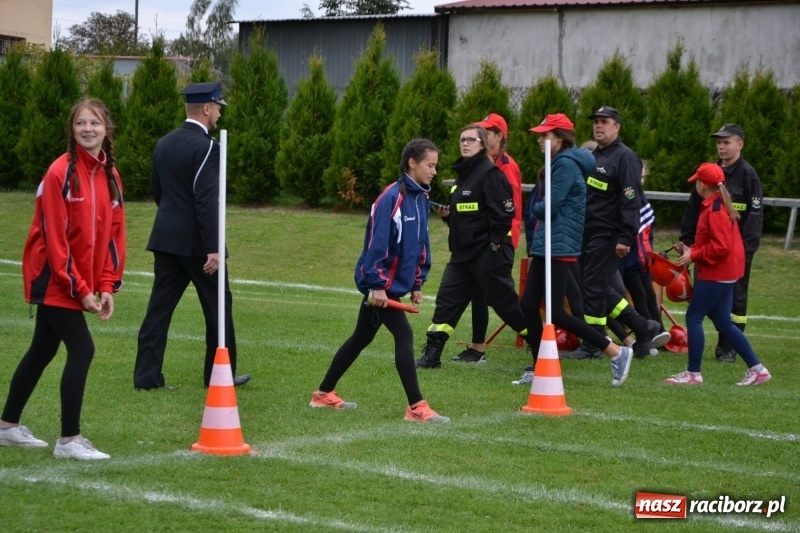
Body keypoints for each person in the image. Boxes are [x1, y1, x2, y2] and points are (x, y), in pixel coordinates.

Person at [0, 99, 126, 459]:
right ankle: (69, 440)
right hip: (53, 277)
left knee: (42, 349)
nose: (88, 129)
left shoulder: (110, 175)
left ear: (107, 129)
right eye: (81, 124)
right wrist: (81, 290)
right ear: (72, 130)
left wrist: (105, 284)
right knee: (82, 348)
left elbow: (114, 234)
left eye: (95, 123)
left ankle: (6, 426)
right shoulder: (59, 173)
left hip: (79, 280)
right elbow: (55, 239)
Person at [310, 139, 449, 422]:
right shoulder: (390, 198)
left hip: (393, 285)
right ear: (412, 162)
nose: (434, 171)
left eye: (435, 166)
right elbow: (376, 244)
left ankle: (323, 394)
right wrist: (376, 285)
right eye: (430, 165)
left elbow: (420, 244)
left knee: (362, 336)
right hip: (379, 284)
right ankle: (416, 406)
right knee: (405, 335)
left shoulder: (421, 197)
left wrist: (417, 283)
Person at [134, 82, 250, 390]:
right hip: (198, 245)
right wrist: (213, 247)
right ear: (208, 108)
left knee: (158, 309)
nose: (220, 114)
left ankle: (146, 376)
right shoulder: (209, 146)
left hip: (165, 238)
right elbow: (207, 199)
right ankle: (219, 375)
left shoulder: (164, 143)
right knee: (218, 310)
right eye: (219, 108)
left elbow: (158, 192)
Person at [518, 113, 633, 388]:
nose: (539, 139)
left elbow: (550, 206)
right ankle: (538, 366)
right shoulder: (560, 162)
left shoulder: (566, 164)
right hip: (550, 243)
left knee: (556, 313)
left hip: (558, 244)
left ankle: (615, 351)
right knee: (528, 305)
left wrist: (532, 208)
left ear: (559, 138)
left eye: (545, 135)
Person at [415, 124, 529, 369]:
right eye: (462, 139)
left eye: (471, 140)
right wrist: (448, 216)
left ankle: (541, 349)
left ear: (482, 145)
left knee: (505, 305)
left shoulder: (491, 174)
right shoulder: (463, 175)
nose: (465, 143)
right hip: (462, 255)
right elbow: (468, 212)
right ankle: (432, 354)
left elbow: (503, 216)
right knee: (447, 300)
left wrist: (493, 247)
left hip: (487, 255)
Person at [665, 163, 771, 386]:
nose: (695, 184)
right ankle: (757, 369)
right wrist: (691, 250)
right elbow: (714, 242)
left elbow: (720, 246)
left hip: (718, 273)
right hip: (726, 272)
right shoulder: (716, 205)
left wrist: (693, 256)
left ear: (703, 185)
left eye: (697, 181)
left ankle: (693, 373)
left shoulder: (714, 210)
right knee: (723, 322)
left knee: (694, 317)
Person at [568, 106, 660, 361]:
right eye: (596, 122)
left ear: (617, 126)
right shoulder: (593, 156)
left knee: (594, 286)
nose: (599, 126)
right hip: (588, 231)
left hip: (609, 233)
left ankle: (594, 342)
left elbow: (631, 199)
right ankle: (643, 327)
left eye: (604, 122)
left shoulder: (625, 157)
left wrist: (625, 237)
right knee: (592, 285)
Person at [679, 124, 762, 363]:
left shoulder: (747, 174)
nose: (722, 146)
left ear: (740, 144)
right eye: (719, 142)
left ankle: (726, 349)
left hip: (729, 254)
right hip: (709, 254)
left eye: (727, 142)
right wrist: (687, 242)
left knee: (726, 305)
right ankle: (754, 365)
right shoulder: (709, 174)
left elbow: (754, 216)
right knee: (716, 310)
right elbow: (692, 211)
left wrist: (746, 251)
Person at [450, 113, 523, 364]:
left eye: (488, 132)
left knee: (499, 298)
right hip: (481, 242)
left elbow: (507, 209)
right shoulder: (477, 165)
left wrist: (497, 241)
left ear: (499, 137)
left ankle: (538, 339)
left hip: (498, 241)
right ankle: (478, 348)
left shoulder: (504, 166)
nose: (480, 136)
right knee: (478, 295)